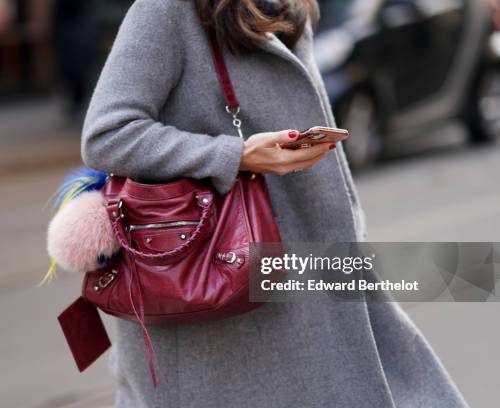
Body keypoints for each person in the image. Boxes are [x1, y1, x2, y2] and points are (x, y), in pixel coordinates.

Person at [81, 0, 469, 406]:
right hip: (221, 303)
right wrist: (235, 155)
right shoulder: (167, 9)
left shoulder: (292, 8)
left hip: (315, 274)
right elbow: (108, 134)